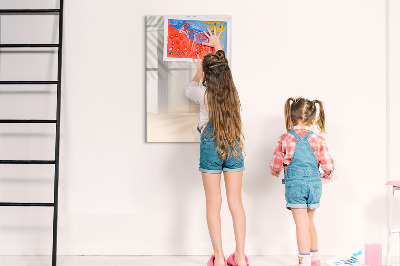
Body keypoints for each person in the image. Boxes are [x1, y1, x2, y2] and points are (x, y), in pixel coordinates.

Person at [185, 28, 248, 266]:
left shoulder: (203, 94)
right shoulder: (233, 93)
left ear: (208, 77)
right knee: (236, 202)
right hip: (233, 146)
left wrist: (198, 71)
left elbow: (188, 89)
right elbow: (224, 70)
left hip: (211, 148)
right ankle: (240, 257)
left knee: (214, 203)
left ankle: (220, 258)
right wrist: (218, 46)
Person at [270, 98, 335, 266]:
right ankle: (315, 260)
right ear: (313, 120)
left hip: (295, 186)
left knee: (301, 224)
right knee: (309, 222)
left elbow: (275, 164)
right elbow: (328, 165)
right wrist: (327, 176)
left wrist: (275, 171)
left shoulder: (285, 138)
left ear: (291, 117)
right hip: (314, 185)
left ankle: (304, 261)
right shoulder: (318, 139)